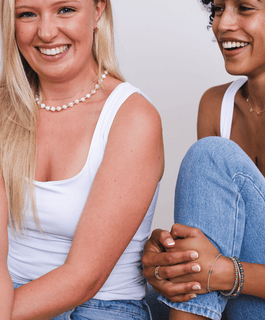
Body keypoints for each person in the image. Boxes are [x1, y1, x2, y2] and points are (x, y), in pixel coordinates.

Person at [142, 0, 265, 319]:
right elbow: (212, 241)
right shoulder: (216, 106)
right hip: (235, 302)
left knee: (211, 154)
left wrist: (228, 274)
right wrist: (172, 259)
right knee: (121, 302)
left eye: (245, 8)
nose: (224, 24)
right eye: (220, 8)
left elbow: (219, 272)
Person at [0, 0, 164, 319]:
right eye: (27, 14)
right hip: (9, 294)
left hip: (100, 307)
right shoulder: (4, 110)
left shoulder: (132, 118)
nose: (46, 32)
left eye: (65, 10)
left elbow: (83, 279)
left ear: (98, 11)